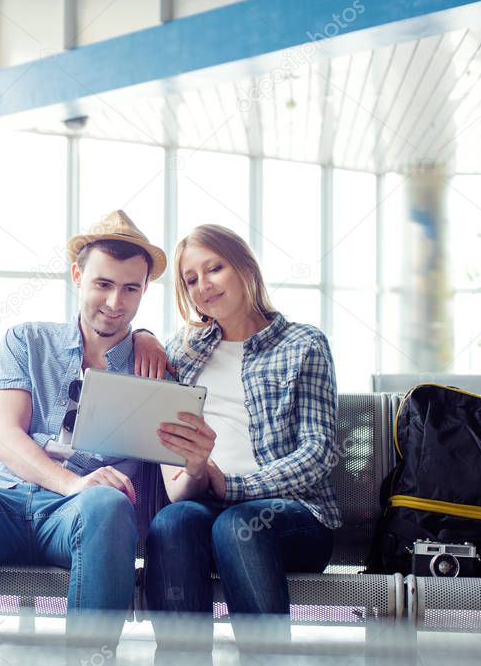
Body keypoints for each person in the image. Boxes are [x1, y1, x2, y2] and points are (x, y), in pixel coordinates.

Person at [0, 210, 170, 644]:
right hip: (2, 502)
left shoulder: (153, 368)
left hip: (80, 520)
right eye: (102, 284)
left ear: (145, 290)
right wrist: (73, 483)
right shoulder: (26, 340)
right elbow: (7, 439)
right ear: (77, 276)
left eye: (130, 289)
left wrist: (146, 337)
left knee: (105, 505)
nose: (115, 303)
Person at [144, 224, 340, 652]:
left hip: (294, 516)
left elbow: (319, 452)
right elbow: (147, 389)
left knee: (240, 524)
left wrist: (235, 487)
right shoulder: (185, 352)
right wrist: (145, 336)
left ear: (246, 268)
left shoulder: (303, 344)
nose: (203, 286)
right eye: (190, 279)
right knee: (170, 524)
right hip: (206, 507)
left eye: (214, 269)